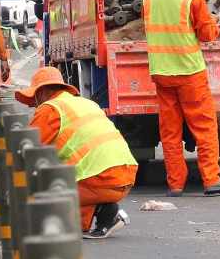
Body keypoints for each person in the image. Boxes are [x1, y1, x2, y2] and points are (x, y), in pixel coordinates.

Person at [142, 0, 220, 198]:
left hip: (161, 72)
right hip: (189, 72)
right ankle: (211, 180)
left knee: (170, 131)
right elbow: (206, 35)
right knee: (204, 127)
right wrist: (215, 23)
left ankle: (175, 184)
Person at [16, 66, 137, 239]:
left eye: (34, 99)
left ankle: (101, 211)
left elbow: (27, 151)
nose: (34, 104)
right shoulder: (86, 103)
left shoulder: (50, 108)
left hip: (99, 178)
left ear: (41, 92)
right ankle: (103, 214)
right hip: (125, 174)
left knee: (43, 185)